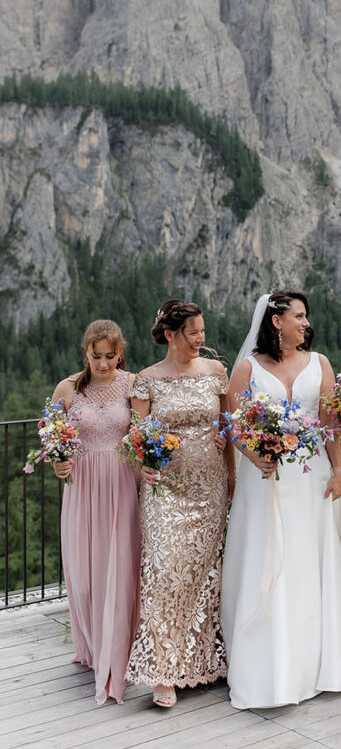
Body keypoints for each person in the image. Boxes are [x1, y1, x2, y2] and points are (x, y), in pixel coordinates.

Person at [221, 291, 341, 709]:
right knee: (268, 557)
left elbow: (329, 419)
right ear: (277, 321)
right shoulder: (247, 369)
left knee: (307, 560)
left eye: (305, 316)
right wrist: (256, 455)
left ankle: (314, 665)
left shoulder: (321, 363)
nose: (304, 322)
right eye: (298, 315)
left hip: (312, 478)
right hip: (266, 480)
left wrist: (338, 471)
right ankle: (269, 668)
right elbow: (235, 427)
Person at [125, 299, 234, 708]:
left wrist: (232, 477)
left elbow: (226, 427)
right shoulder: (147, 380)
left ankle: (201, 660)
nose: (200, 339)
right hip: (165, 490)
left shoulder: (216, 373)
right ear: (171, 335)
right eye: (193, 333)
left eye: (203, 331)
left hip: (209, 486)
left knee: (206, 574)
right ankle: (164, 672)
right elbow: (136, 437)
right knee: (164, 570)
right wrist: (143, 468)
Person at [51, 319, 140, 705]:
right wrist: (57, 463)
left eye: (110, 356)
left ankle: (118, 648)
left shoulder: (133, 384)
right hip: (83, 486)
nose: (103, 363)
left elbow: (142, 433)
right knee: (85, 573)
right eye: (96, 355)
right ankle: (90, 642)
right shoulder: (68, 388)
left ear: (119, 352)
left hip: (122, 482)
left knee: (119, 567)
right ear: (85, 352)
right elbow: (52, 436)